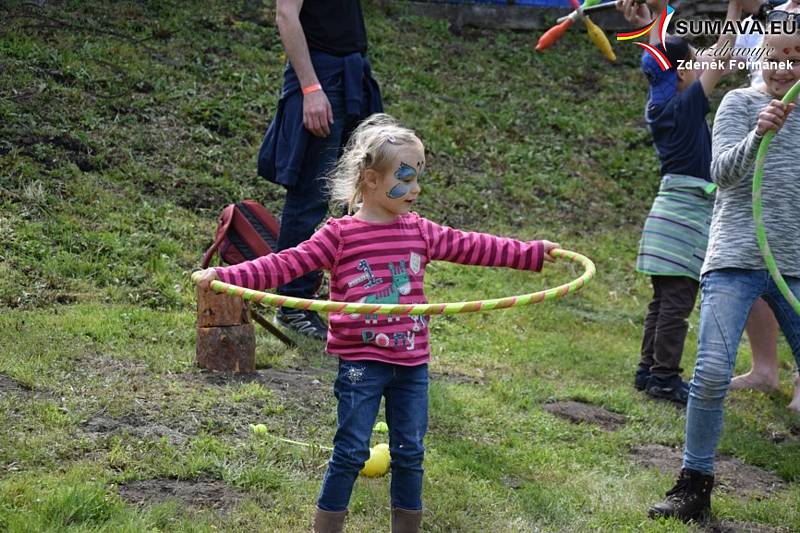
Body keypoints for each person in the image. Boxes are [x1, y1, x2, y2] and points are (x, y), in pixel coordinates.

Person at [196, 114, 561, 533]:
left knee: (411, 451)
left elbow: (474, 246)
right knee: (351, 450)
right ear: (370, 180)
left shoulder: (420, 231)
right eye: (405, 177)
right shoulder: (340, 234)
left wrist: (531, 253)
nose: (416, 188)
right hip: (360, 364)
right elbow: (286, 264)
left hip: (411, 363)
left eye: (419, 176)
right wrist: (227, 276)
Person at [649, 31, 800, 523]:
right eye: (777, 55)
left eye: (797, 58)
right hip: (735, 258)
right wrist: (760, 134)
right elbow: (722, 173)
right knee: (712, 371)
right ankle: (693, 486)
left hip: (794, 266)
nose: (785, 67)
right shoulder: (739, 102)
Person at [617, 0, 739, 404]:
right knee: (677, 305)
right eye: (695, 60)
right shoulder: (686, 107)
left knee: (662, 301)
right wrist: (737, 9)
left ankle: (646, 370)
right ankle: (665, 377)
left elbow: (660, 57)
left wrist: (654, 17)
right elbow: (722, 56)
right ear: (686, 73)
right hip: (684, 222)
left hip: (666, 217)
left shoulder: (660, 103)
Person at [257, 0, 383, 339]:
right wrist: (311, 89)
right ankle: (292, 303)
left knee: (360, 193)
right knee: (310, 197)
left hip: (353, 74)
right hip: (321, 79)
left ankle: (350, 296)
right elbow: (286, 16)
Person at [729, 0, 800, 411]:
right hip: (765, 128)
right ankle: (764, 369)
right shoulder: (773, 11)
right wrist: (739, 12)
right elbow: (738, 57)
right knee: (756, 253)